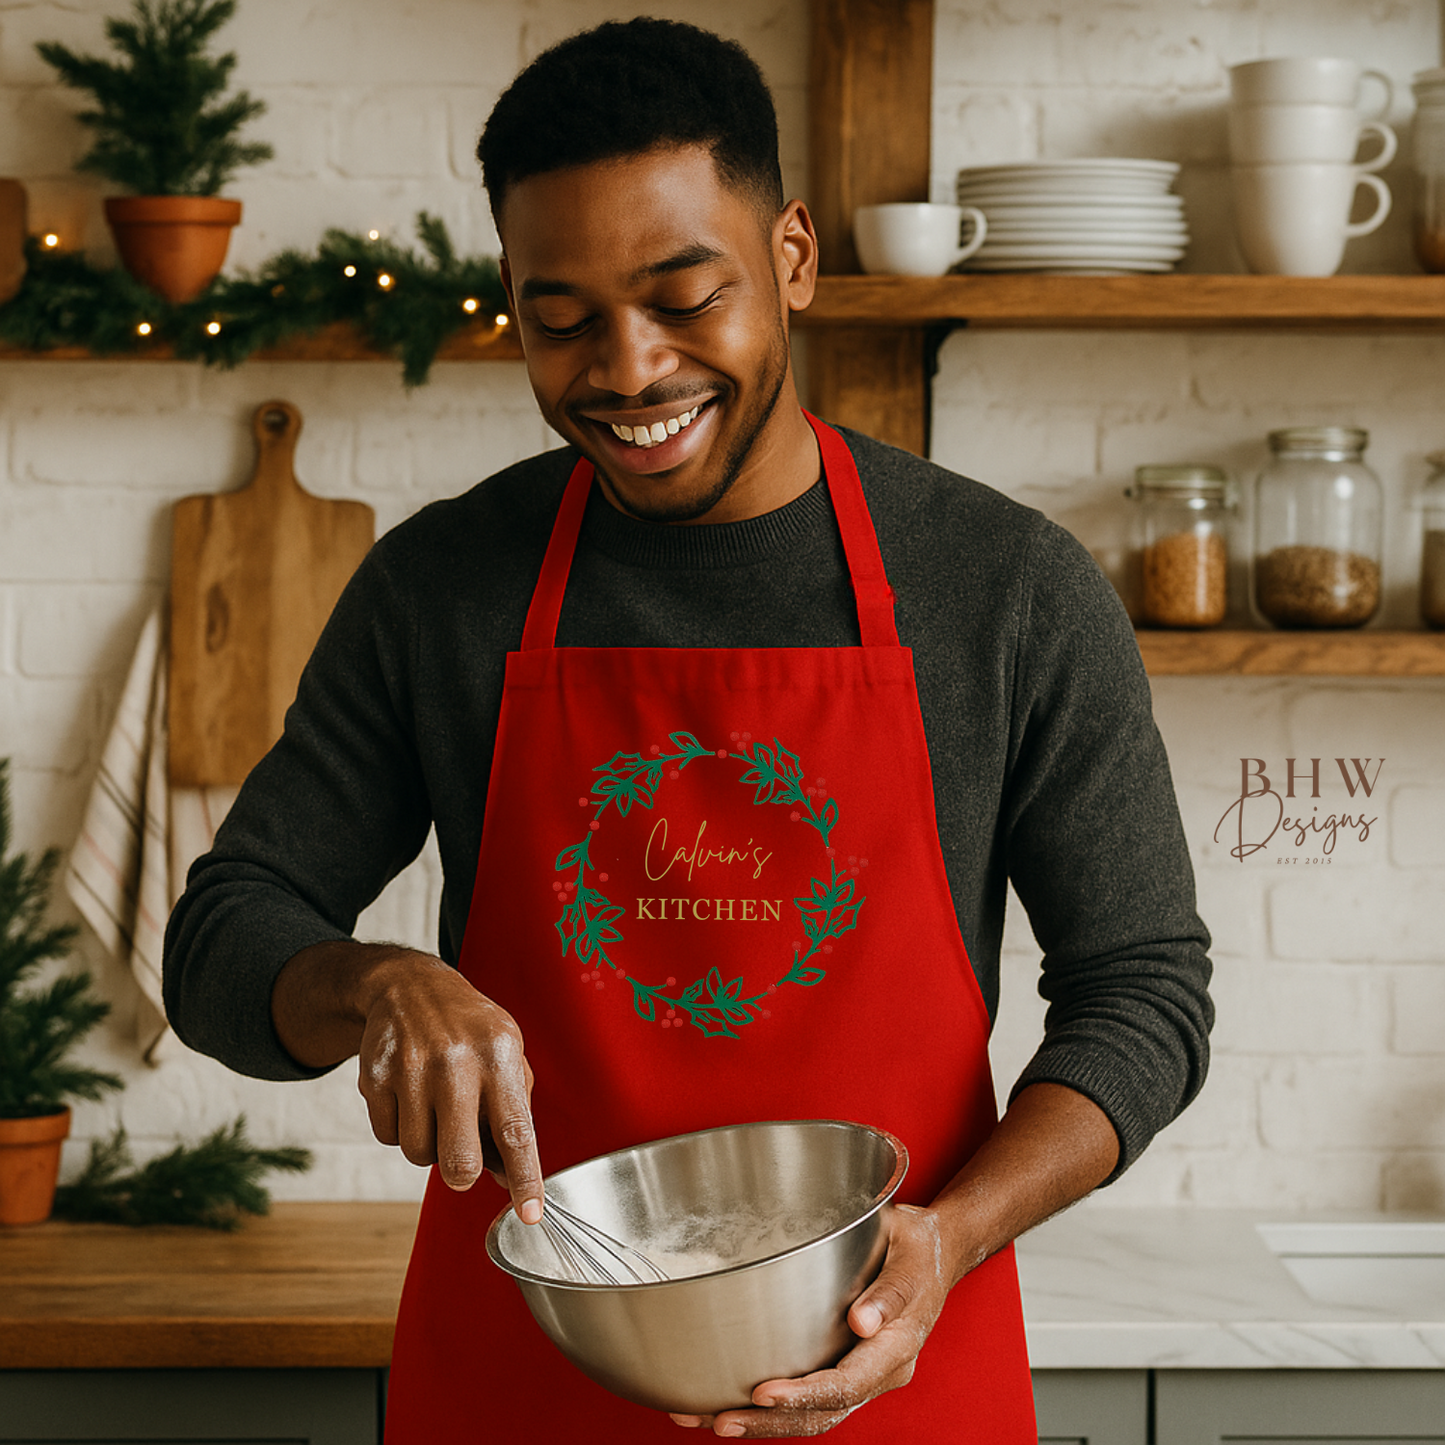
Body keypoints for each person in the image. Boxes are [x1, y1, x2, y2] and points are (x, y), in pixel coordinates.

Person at [163, 17, 1213, 1442]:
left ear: (790, 257)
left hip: (889, 1369)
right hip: (522, 1389)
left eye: (683, 296)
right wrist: (376, 982)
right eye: (563, 318)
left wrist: (953, 1235)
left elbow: (1143, 993)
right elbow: (225, 938)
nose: (630, 369)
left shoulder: (1004, 590)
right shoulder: (443, 588)